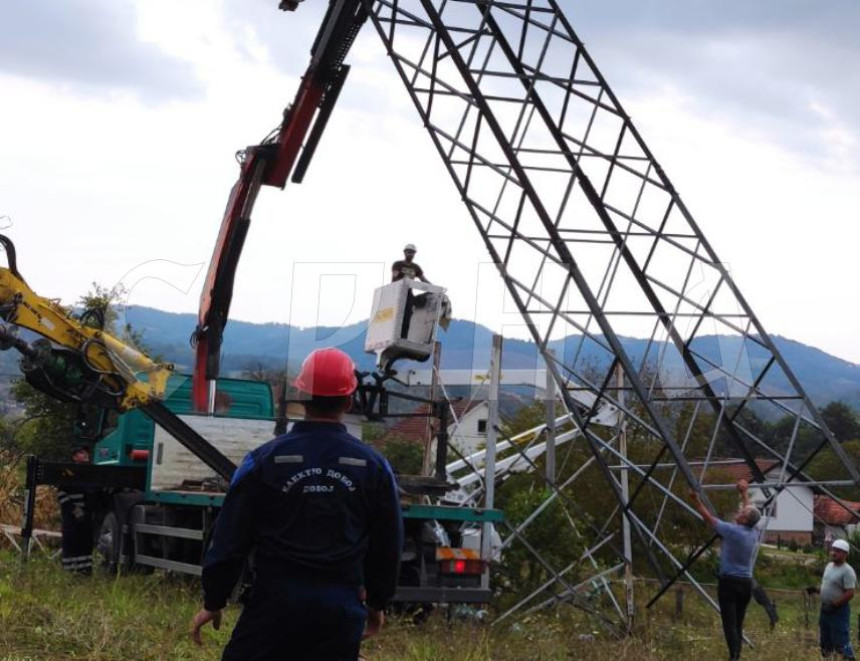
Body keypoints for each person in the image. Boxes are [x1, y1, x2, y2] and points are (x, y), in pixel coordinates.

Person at [191, 347, 403, 661]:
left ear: (301, 396)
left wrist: (215, 599)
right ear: (349, 400)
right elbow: (388, 546)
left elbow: (229, 538)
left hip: (273, 605)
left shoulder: (262, 460)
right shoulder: (374, 466)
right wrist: (377, 604)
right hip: (339, 609)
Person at [690, 478, 761, 661]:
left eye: (742, 512)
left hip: (729, 583)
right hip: (745, 583)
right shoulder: (753, 532)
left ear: (744, 519)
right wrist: (744, 493)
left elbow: (708, 518)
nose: (739, 512)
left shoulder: (732, 531)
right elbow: (751, 512)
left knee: (729, 623)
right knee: (738, 622)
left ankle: (734, 656)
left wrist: (695, 500)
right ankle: (736, 653)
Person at [58, 446, 94, 575]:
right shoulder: (68, 472)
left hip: (86, 516)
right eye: (81, 452)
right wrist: (74, 510)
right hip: (72, 517)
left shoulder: (91, 472)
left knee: (85, 542)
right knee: (71, 542)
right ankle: (70, 570)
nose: (85, 454)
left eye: (86, 452)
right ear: (74, 457)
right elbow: (61, 494)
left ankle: (84, 570)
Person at [819, 538, 857, 660]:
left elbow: (850, 593)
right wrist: (815, 589)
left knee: (841, 639)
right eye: (833, 550)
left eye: (839, 551)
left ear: (845, 554)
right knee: (825, 639)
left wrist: (834, 604)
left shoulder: (848, 571)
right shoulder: (829, 566)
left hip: (838, 611)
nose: (834, 553)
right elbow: (828, 584)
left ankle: (848, 658)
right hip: (825, 609)